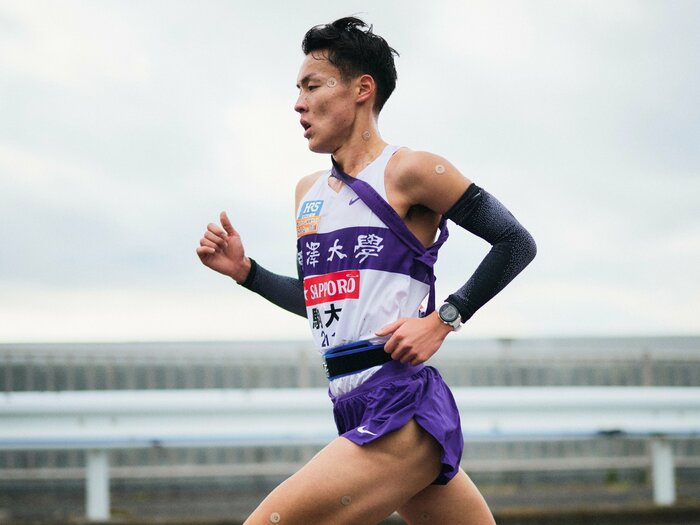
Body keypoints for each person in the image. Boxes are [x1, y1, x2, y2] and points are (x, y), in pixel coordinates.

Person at [197, 17, 536, 525]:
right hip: (353, 405)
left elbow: (515, 243)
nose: (298, 104)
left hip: (402, 407)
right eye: (298, 90)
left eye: (312, 87)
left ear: (362, 89)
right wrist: (247, 272)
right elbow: (323, 304)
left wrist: (443, 319)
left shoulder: (411, 170)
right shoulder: (306, 194)